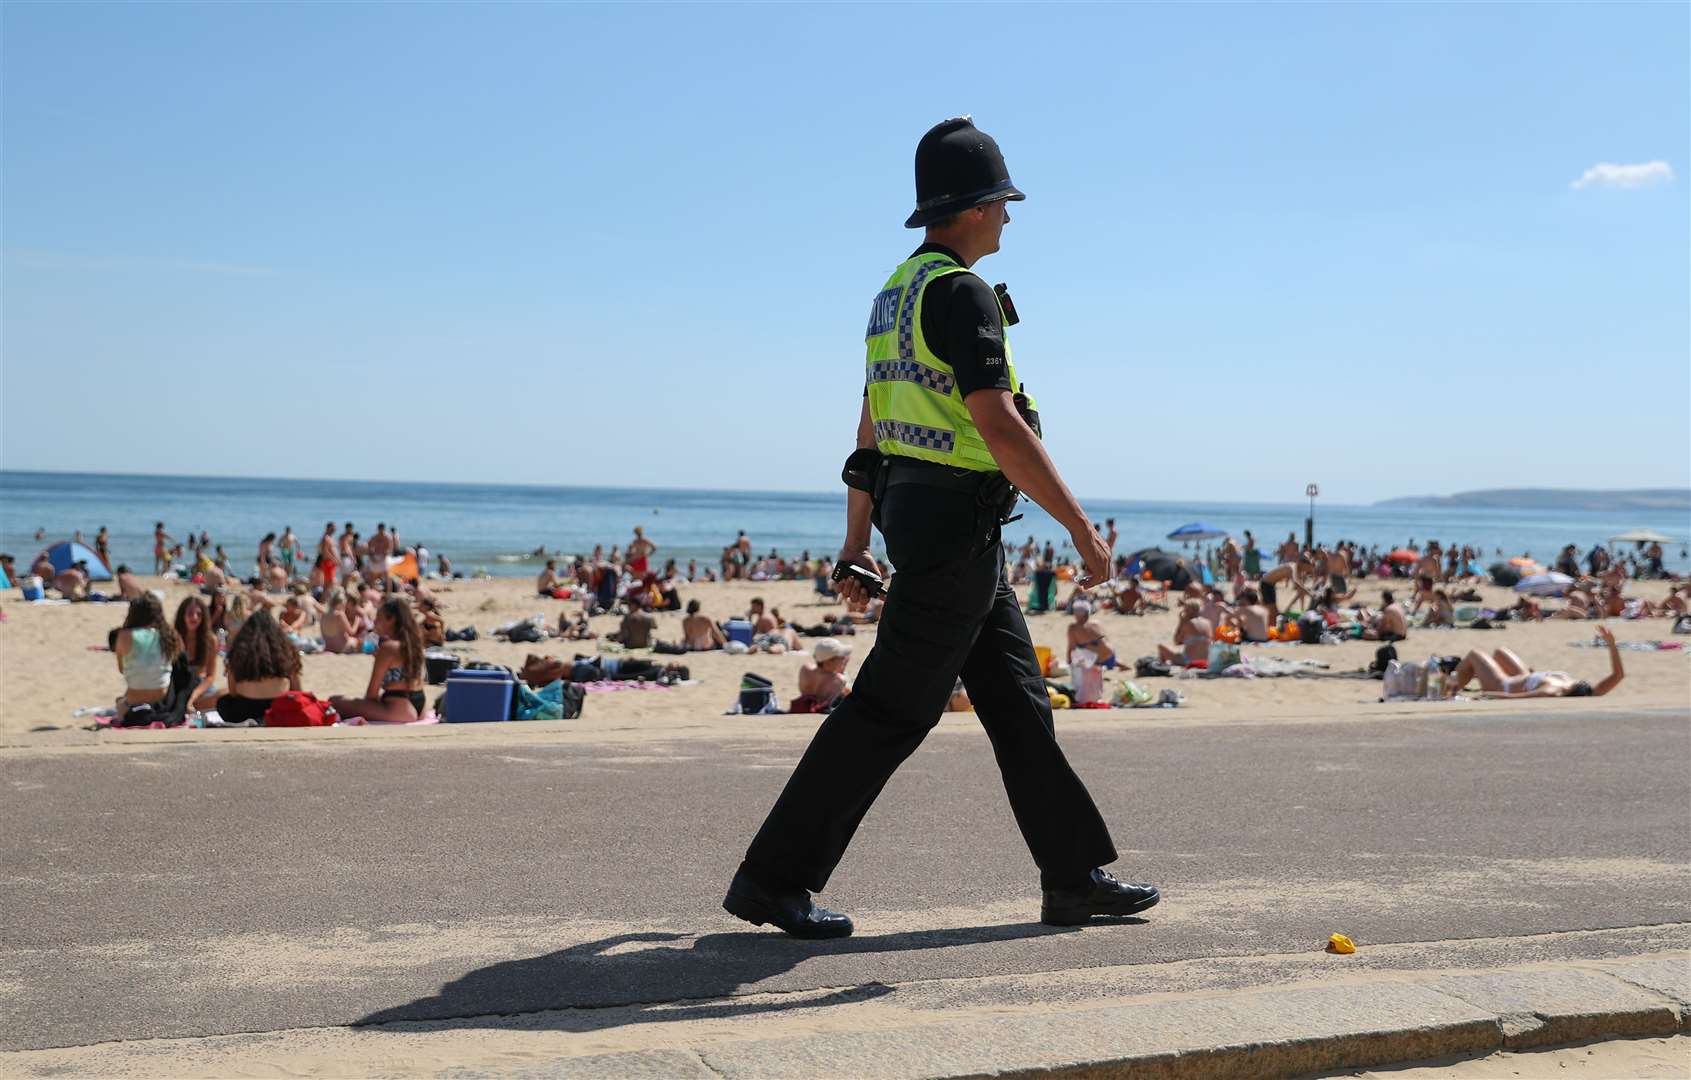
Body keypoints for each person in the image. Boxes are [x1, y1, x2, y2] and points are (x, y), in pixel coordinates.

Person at [725, 118, 1155, 941]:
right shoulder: (960, 294)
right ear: (972, 207)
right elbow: (999, 426)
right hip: (955, 524)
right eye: (1002, 203)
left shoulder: (894, 294)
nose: (1008, 219)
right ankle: (771, 879)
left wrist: (857, 540)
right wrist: (1080, 528)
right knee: (889, 710)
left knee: (1020, 702)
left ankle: (1072, 878)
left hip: (928, 521)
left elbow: (867, 434)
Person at [1445, 625, 1624, 699]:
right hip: (1525, 677)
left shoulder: (1553, 690)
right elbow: (1618, 675)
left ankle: (1448, 692)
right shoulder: (1589, 693)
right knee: (1500, 652)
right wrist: (1612, 644)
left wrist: (1487, 696)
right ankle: (1460, 679)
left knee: (1475, 654)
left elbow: (1516, 698)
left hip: (1503, 685)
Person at [331, 597, 426, 723]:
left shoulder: (389, 648)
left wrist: (362, 705)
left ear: (391, 620)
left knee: (335, 702)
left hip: (400, 708)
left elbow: (372, 694)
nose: (375, 622)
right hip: (420, 704)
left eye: (379, 618)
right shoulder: (414, 645)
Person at [216, 610, 303, 725]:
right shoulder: (286, 652)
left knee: (223, 702)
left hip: (244, 711)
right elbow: (297, 691)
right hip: (278, 709)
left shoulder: (239, 653)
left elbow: (233, 692)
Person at [113, 594, 182, 721]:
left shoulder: (124, 636)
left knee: (120, 701)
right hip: (162, 698)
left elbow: (122, 669)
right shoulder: (169, 635)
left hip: (135, 697)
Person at [173, 595, 220, 710]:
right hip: (177, 684)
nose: (194, 618)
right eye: (190, 614)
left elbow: (210, 676)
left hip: (200, 686)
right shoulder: (174, 637)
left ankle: (189, 704)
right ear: (182, 615)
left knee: (223, 696)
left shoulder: (210, 640)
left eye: (199, 614)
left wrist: (194, 695)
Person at [792, 638, 852, 713]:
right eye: (841, 657)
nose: (844, 659)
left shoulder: (805, 670)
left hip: (804, 705)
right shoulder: (839, 680)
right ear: (829, 661)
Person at [1157, 599, 1213, 666]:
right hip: (1206, 660)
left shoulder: (1189, 623)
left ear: (1190, 610)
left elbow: (1176, 642)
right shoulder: (1208, 622)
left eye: (1185, 609)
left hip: (1189, 661)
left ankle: (1162, 667)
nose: (1184, 611)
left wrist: (1181, 622)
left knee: (1161, 646)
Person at [1065, 600, 1117, 668]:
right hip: (1111, 657)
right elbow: (1105, 641)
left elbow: (1071, 648)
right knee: (1092, 646)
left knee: (1082, 649)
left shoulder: (1073, 628)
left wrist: (1069, 663)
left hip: (1097, 661)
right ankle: (1118, 664)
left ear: (1077, 614)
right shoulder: (1097, 623)